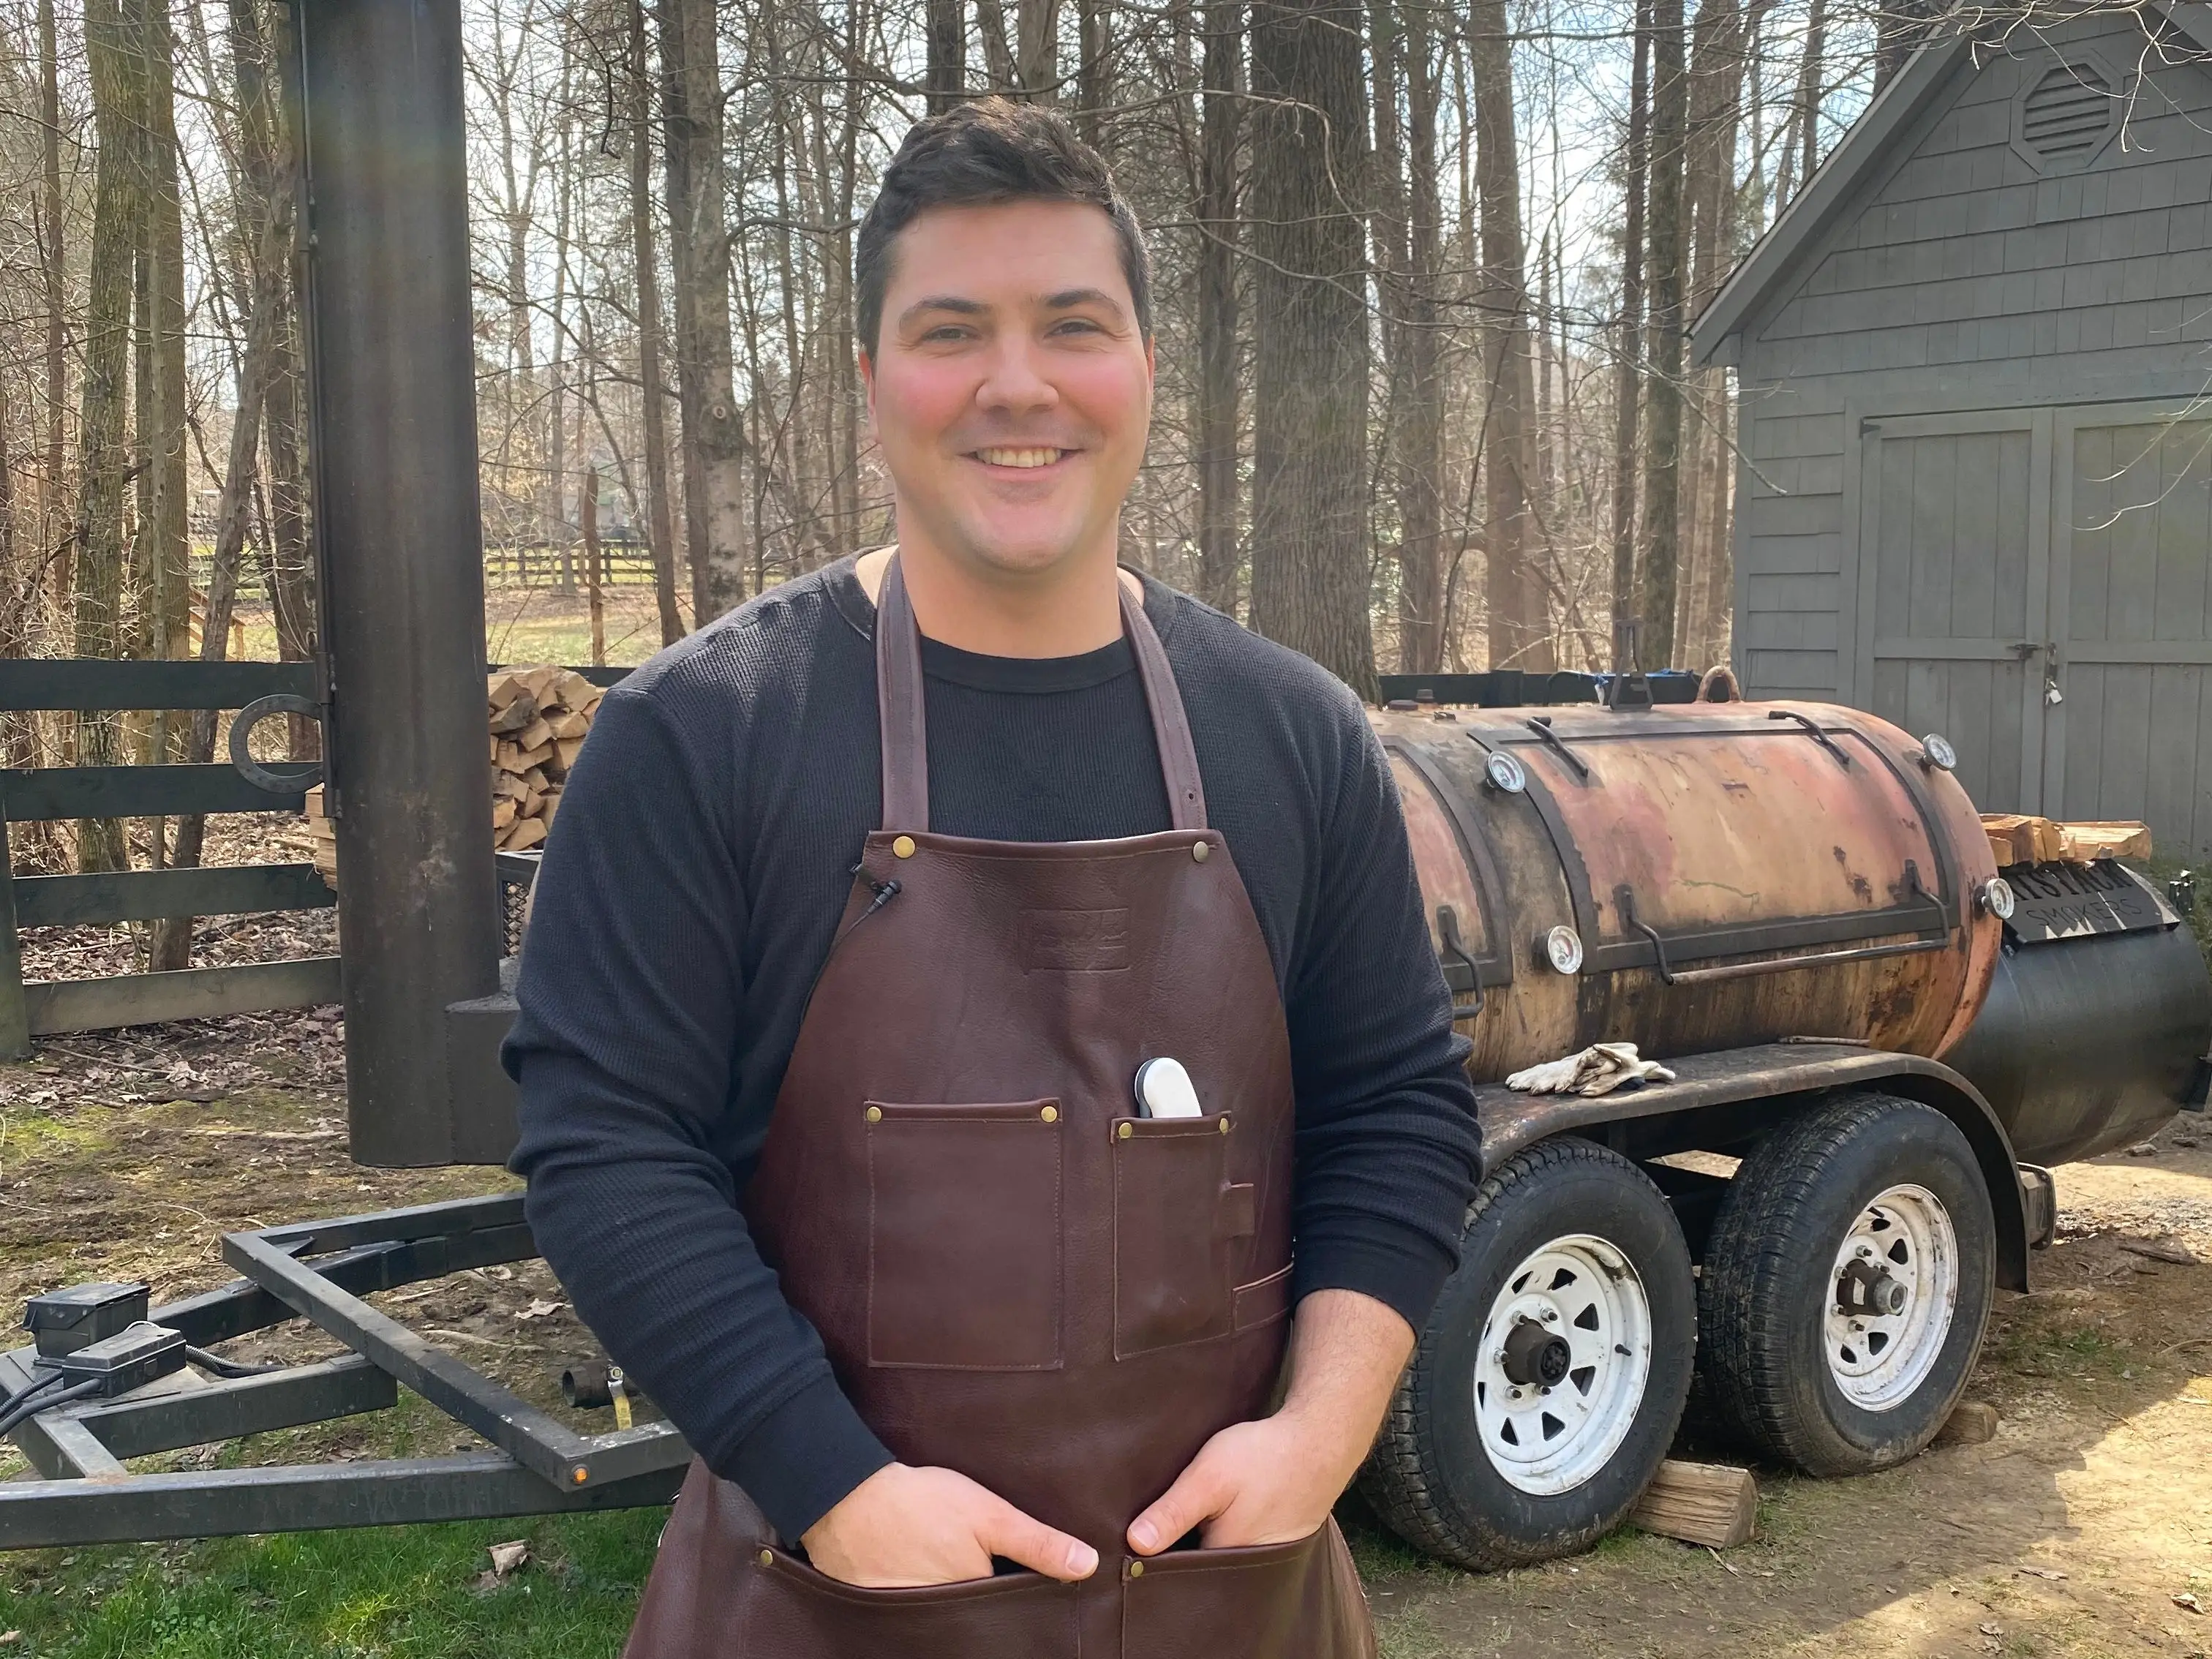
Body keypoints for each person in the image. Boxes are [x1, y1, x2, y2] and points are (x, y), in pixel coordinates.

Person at [505, 97, 1481, 1659]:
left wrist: (1322, 1436)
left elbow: (1400, 1108)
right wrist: (837, 1490)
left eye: (1072, 328)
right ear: (872, 380)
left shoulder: (1290, 733)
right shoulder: (705, 734)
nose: (1016, 386)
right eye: (951, 331)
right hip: (827, 1594)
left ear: (1144, 369)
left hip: (1228, 1599)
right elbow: (607, 1147)